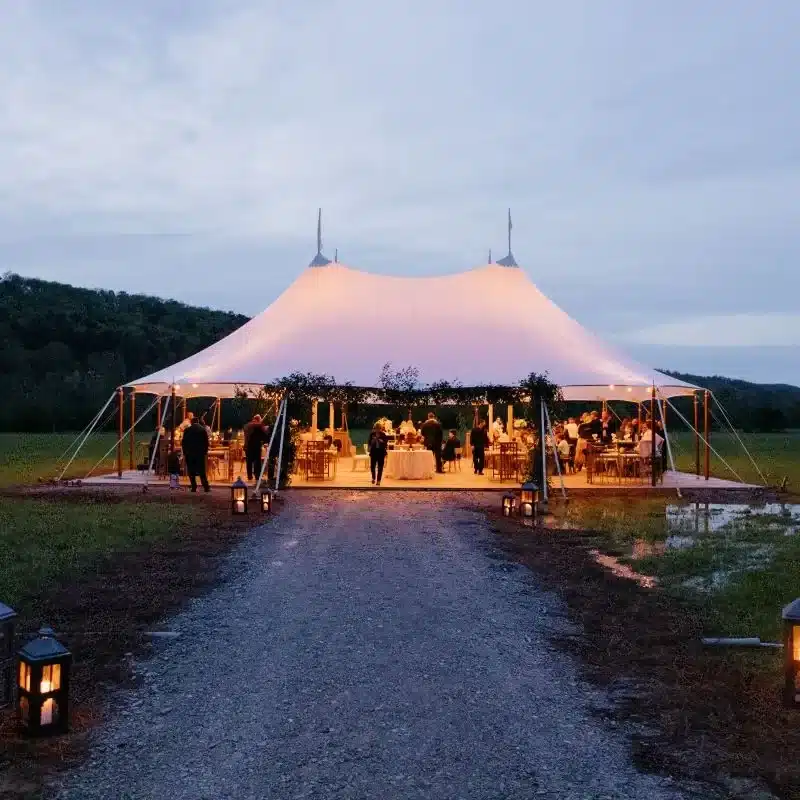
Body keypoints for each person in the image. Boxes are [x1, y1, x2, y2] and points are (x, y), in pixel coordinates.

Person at [181, 416, 210, 492]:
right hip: (200, 453)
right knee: (202, 471)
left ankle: (194, 487)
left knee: (191, 471)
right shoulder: (202, 430)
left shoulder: (187, 430)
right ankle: (206, 487)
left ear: (191, 422)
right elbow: (206, 442)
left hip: (190, 453)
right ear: (198, 422)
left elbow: (183, 442)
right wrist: (205, 452)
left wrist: (185, 452)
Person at [243, 414, 269, 482]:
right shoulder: (259, 425)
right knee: (257, 462)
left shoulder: (246, 425)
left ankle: (249, 476)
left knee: (249, 462)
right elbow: (264, 434)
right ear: (258, 419)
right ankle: (257, 476)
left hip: (247, 446)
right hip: (256, 446)